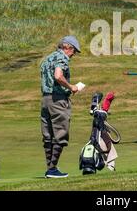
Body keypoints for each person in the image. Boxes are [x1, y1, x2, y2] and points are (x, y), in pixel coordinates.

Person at [40, 35, 82, 178]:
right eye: (74, 51)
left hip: (45, 99)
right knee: (60, 134)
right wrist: (71, 87)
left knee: (48, 135)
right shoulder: (62, 58)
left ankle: (50, 168)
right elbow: (58, 76)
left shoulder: (47, 59)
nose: (73, 54)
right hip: (58, 101)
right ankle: (52, 170)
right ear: (67, 47)